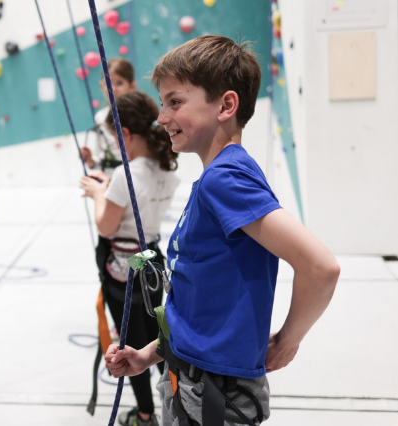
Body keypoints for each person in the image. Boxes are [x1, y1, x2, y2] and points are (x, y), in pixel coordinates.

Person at [104, 36, 340, 426]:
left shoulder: (225, 180)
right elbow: (202, 306)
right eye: (163, 103)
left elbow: (320, 267)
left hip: (212, 392)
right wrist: (148, 355)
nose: (161, 117)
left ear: (226, 106)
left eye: (174, 102)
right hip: (193, 379)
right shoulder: (222, 176)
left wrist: (287, 340)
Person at [80, 90, 180, 426]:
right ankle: (173, 404)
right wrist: (109, 188)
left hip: (123, 269)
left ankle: (145, 414)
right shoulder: (166, 169)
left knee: (130, 345)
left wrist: (98, 193)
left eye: (114, 138)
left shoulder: (126, 174)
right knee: (156, 337)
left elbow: (106, 226)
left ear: (124, 133)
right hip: (152, 262)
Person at [81, 58, 137, 177]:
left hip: (134, 175)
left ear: (131, 86)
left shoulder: (139, 114)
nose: (113, 89)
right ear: (102, 86)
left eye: (119, 83)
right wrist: (90, 161)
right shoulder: (100, 117)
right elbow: (101, 158)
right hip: (110, 177)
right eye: (108, 83)